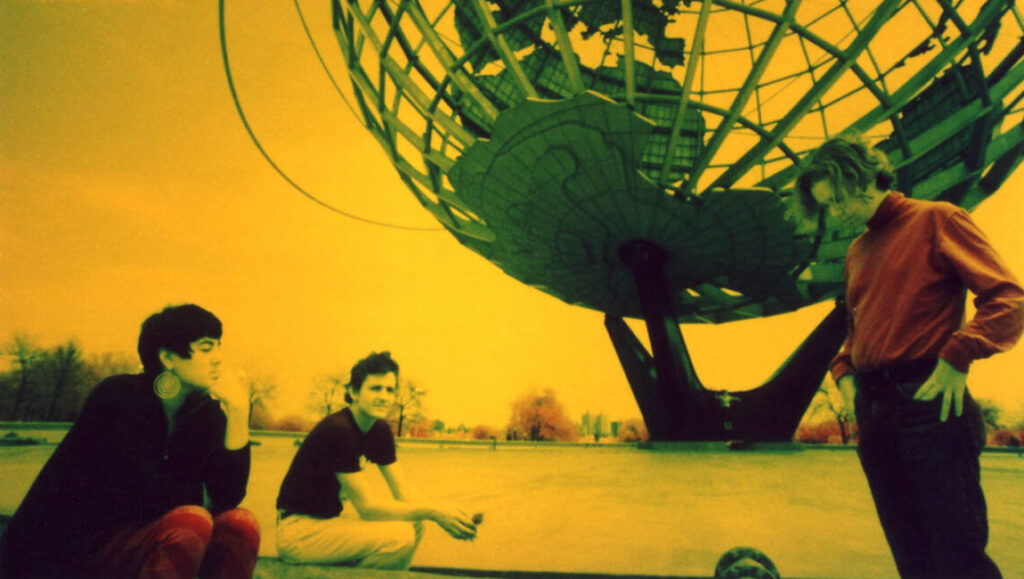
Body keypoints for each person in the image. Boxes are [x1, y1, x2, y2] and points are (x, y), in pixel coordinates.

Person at [796, 134, 1024, 578]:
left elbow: (1009, 301)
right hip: (875, 415)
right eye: (826, 206)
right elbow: (859, 333)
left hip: (927, 404)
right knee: (911, 558)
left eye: (838, 199)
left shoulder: (937, 220)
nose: (835, 213)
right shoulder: (857, 252)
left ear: (864, 177)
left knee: (957, 557)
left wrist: (959, 353)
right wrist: (846, 379)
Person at [0, 304, 260, 579]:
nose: (219, 358)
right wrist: (204, 497)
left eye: (219, 346)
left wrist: (239, 412)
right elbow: (143, 491)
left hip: (138, 540)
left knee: (240, 525)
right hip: (74, 549)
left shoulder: (205, 413)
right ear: (169, 358)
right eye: (207, 349)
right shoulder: (119, 396)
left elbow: (228, 498)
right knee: (190, 521)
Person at [275, 351, 477, 569]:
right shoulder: (338, 430)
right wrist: (434, 512)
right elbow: (367, 508)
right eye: (375, 388)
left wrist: (444, 511)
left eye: (390, 390)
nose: (383, 396)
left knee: (415, 523)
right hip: (299, 531)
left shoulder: (378, 429)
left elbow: (402, 490)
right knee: (399, 537)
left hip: (328, 522)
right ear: (353, 392)